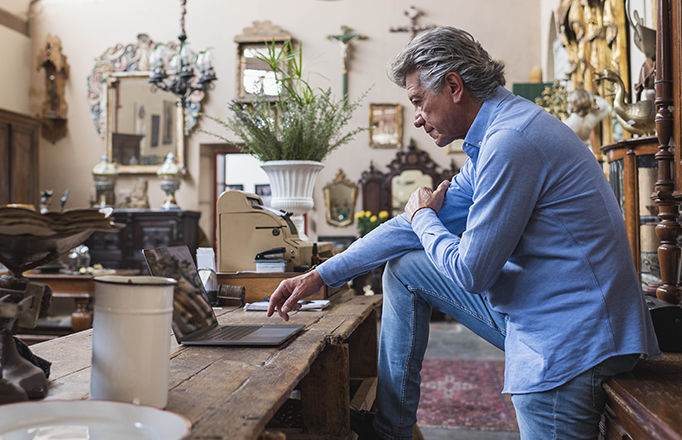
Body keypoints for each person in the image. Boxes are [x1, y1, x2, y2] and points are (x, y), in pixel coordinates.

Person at [267, 26, 659, 440]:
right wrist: (321, 275)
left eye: (419, 101)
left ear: (453, 85)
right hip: (552, 313)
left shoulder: (510, 142)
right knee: (405, 269)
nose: (416, 117)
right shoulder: (495, 136)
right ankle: (391, 430)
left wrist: (424, 218)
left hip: (574, 337)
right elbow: (407, 229)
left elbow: (471, 272)